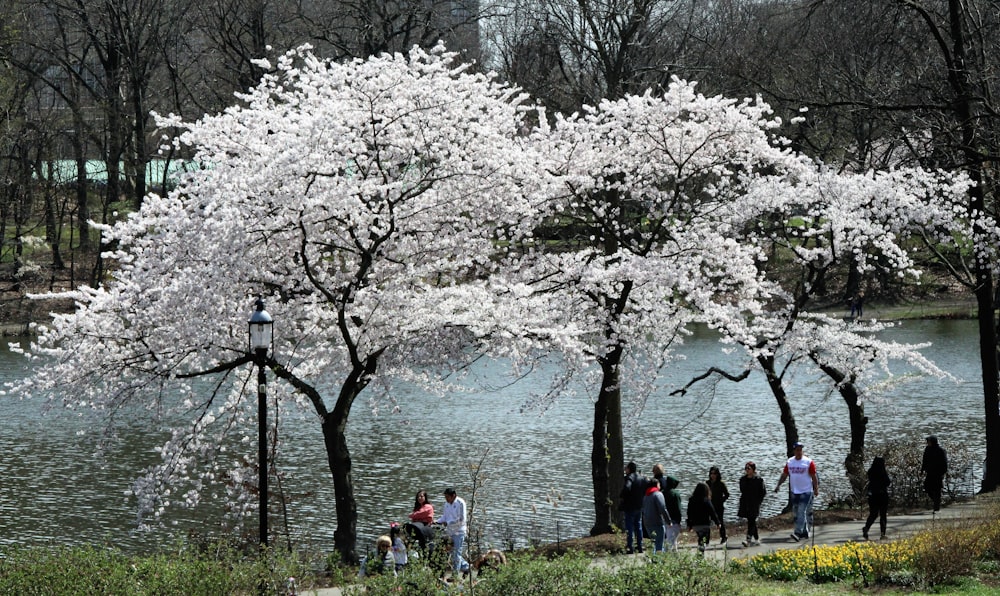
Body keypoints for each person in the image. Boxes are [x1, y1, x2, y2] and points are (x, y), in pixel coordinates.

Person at [774, 441, 819, 542]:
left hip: (806, 491)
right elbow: (784, 475)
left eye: (801, 450)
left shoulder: (808, 462)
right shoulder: (790, 462)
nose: (799, 452)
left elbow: (814, 477)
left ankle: (797, 532)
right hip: (794, 491)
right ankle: (805, 532)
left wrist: (816, 489)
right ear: (794, 451)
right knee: (796, 512)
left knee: (801, 511)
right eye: (797, 450)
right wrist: (778, 485)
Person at [435, 487, 469, 576]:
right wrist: (437, 521)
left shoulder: (460, 503)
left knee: (457, 552)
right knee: (452, 552)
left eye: (447, 497)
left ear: (453, 496)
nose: (446, 499)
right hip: (450, 531)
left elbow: (462, 519)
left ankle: (455, 575)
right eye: (445, 497)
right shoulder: (446, 504)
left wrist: (448, 522)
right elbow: (445, 517)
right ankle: (466, 567)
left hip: (459, 531)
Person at [686, 482, 721, 554]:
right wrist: (718, 523)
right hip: (705, 524)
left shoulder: (691, 500)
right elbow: (712, 512)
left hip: (695, 524)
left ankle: (700, 552)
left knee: (701, 538)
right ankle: (700, 554)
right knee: (704, 540)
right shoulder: (706, 500)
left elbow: (689, 513)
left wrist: (689, 524)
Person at [862, 456, 891, 540]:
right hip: (882, 495)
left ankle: (866, 528)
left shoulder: (871, 472)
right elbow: (888, 482)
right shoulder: (882, 472)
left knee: (873, 514)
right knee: (883, 515)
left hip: (872, 495)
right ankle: (882, 533)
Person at [738, 461, 766, 547]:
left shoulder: (758, 480)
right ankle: (757, 539)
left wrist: (758, 501)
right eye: (746, 468)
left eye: (749, 468)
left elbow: (763, 492)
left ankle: (748, 539)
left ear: (753, 470)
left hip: (754, 503)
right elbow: (742, 490)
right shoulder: (743, 479)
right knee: (751, 520)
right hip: (745, 503)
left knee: (752, 520)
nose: (747, 470)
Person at [619, 461, 646, 554]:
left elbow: (627, 487)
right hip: (639, 505)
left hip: (630, 506)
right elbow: (646, 485)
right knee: (638, 526)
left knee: (629, 527)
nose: (625, 470)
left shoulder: (629, 478)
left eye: (626, 468)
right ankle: (640, 546)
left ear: (629, 469)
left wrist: (622, 495)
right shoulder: (641, 478)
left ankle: (630, 547)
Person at [641, 478, 670, 553]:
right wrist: (668, 521)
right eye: (659, 484)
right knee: (659, 544)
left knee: (653, 542)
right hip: (657, 522)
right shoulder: (658, 494)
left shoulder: (646, 496)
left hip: (647, 523)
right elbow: (662, 508)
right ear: (657, 485)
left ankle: (652, 560)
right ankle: (657, 562)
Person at [922, 435, 948, 512]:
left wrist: (943, 472)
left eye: (929, 441)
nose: (927, 443)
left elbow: (944, 462)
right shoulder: (927, 449)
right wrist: (922, 469)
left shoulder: (940, 450)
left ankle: (936, 506)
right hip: (929, 473)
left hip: (938, 473)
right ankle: (936, 501)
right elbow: (924, 460)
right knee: (927, 488)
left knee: (937, 489)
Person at [707, 466, 730, 544]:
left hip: (719, 506)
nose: (712, 475)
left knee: (720, 522)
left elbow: (727, 494)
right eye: (711, 473)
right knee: (708, 522)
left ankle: (723, 537)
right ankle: (707, 539)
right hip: (709, 506)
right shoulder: (707, 483)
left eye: (714, 473)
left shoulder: (721, 483)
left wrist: (721, 501)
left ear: (717, 474)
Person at [663, 475, 683, 552]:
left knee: (668, 540)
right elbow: (678, 509)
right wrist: (679, 521)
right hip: (674, 520)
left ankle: (674, 557)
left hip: (664, 519)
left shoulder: (662, 492)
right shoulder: (675, 494)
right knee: (671, 540)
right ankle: (667, 557)